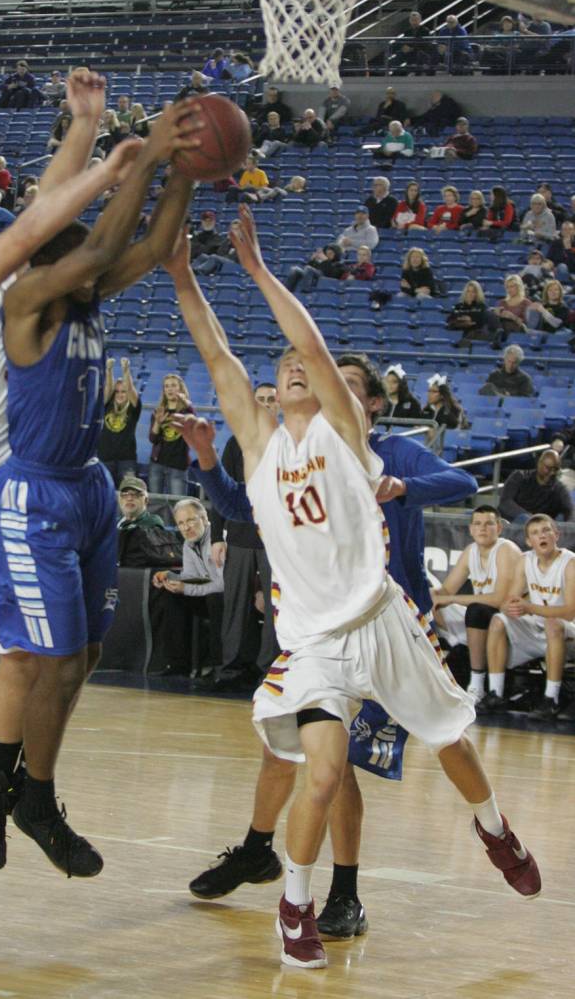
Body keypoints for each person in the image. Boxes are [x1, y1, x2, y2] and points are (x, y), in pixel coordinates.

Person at [162, 204, 538, 970]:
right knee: (323, 772)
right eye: (281, 369)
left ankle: (493, 827)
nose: (291, 368)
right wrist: (180, 274)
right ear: (268, 392)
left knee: (452, 744)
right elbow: (216, 350)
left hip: (380, 616)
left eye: (303, 367)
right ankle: (294, 902)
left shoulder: (344, 431)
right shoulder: (259, 447)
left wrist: (261, 272)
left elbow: (313, 346)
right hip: (314, 641)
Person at [0, 72, 197, 887]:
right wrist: (124, 163)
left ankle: (0, 784)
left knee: (27, 653)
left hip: (19, 496)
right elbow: (37, 235)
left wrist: (85, 127)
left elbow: (46, 218)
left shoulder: (17, 290)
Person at [176, 353, 477, 929]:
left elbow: (462, 480)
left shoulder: (393, 449)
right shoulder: (307, 453)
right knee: (283, 749)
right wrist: (209, 461)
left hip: (390, 628)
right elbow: (243, 506)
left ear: (370, 405)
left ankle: (344, 893)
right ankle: (258, 848)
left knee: (338, 769)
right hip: (321, 631)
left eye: (347, 385)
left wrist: (401, 487)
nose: (330, 389)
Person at [207, 383, 280, 690]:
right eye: (260, 399)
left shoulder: (289, 442)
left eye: (270, 400)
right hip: (238, 536)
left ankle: (270, 670)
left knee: (278, 610)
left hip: (277, 542)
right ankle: (232, 668)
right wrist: (215, 536)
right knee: (235, 606)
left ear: (279, 405)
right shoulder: (237, 442)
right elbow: (220, 490)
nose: (265, 404)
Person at [482, 514, 575, 722]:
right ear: (528, 541)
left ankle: (551, 698)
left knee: (553, 624)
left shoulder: (570, 563)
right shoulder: (525, 560)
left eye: (546, 531)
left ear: (556, 535)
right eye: (535, 533)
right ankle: (496, 692)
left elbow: (570, 612)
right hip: (537, 626)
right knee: (498, 620)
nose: (542, 536)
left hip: (567, 630)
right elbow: (510, 600)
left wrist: (529, 607)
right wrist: (511, 607)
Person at [432, 506, 522, 704]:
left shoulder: (506, 549)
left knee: (476, 610)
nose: (483, 528)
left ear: (499, 528)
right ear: (471, 529)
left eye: (489, 524)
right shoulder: (470, 551)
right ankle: (444, 661)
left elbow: (500, 600)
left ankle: (477, 684)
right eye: (477, 524)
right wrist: (432, 596)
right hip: (482, 619)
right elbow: (446, 591)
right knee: (429, 601)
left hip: (513, 618)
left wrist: (450, 599)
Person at [150, 498, 225, 676]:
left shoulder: (220, 539)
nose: (186, 528)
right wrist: (170, 576)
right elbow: (192, 577)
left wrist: (187, 588)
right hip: (208, 595)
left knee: (215, 599)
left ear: (204, 518)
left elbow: (223, 585)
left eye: (190, 520)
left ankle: (219, 667)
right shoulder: (188, 544)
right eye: (180, 523)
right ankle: (178, 664)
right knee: (170, 594)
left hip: (228, 599)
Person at [98, 356, 141, 485]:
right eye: (117, 392)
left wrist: (126, 370)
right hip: (105, 457)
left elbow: (130, 390)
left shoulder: (134, 408)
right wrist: (109, 370)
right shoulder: (107, 405)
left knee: (128, 492)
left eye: (123, 392)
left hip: (127, 460)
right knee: (105, 493)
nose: (120, 394)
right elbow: (108, 389)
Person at [149, 373, 194, 495]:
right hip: (157, 464)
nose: (169, 389)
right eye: (166, 386)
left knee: (178, 506)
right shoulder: (159, 411)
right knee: (155, 503)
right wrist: (157, 423)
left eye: (173, 385)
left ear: (180, 388)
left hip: (178, 466)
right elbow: (153, 439)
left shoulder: (186, 412)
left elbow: (192, 432)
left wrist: (187, 405)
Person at [499, 449, 573, 524]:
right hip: (512, 523)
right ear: (539, 464)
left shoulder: (558, 488)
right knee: (523, 519)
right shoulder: (519, 477)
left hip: (539, 527)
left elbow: (569, 510)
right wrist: (530, 518)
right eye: (548, 468)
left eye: (555, 469)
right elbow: (505, 502)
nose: (552, 473)